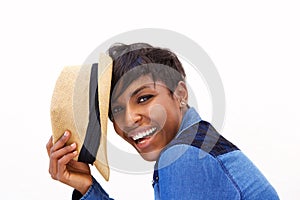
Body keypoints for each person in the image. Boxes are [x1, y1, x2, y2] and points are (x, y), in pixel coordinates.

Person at [46, 43, 279, 199]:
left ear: (180, 94)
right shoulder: (197, 146)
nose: (128, 119)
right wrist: (86, 187)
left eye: (144, 98)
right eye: (116, 109)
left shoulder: (185, 156)